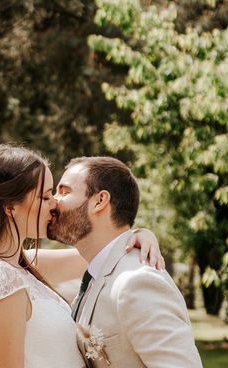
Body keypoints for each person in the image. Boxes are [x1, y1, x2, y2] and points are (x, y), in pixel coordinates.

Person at [0, 144, 164, 368]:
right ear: (10, 206)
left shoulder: (22, 265)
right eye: (45, 196)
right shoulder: (0, 278)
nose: (55, 204)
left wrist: (138, 234)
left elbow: (101, 252)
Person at [48, 156, 203, 368]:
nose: (54, 201)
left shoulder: (137, 281)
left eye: (64, 191)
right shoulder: (98, 272)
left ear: (100, 201)